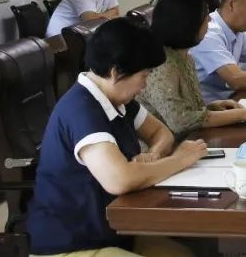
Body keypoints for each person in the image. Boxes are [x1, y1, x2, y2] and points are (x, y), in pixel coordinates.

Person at [27, 18, 207, 256]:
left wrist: (153, 155)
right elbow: (119, 179)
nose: (145, 85)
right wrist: (179, 160)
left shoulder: (117, 100)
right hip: (71, 244)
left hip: (116, 230)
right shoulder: (81, 109)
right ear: (116, 73)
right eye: (144, 76)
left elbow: (160, 133)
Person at [137, 0, 246, 139]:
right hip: (163, 149)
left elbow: (188, 109)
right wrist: (244, 114)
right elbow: (181, 122)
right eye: (205, 15)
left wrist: (212, 107)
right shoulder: (161, 63)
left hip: (190, 141)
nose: (209, 19)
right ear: (187, 20)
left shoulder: (185, 56)